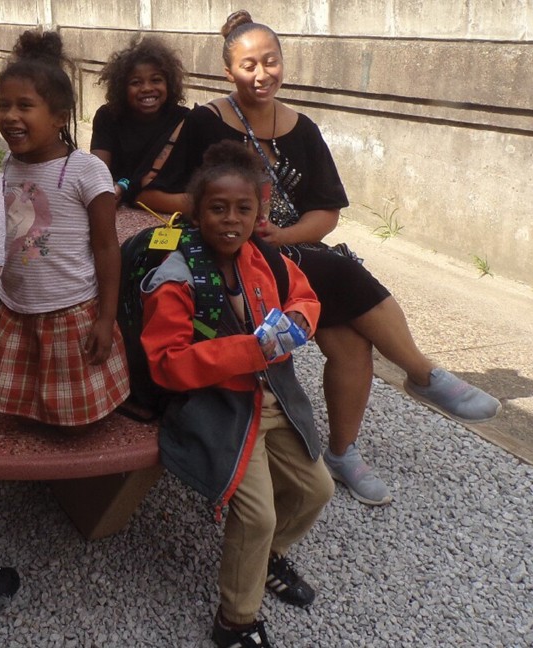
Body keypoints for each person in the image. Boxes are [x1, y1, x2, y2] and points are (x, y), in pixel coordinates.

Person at [137, 9, 501, 507]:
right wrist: (220, 211)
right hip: (228, 252)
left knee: (352, 341)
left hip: (291, 248)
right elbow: (154, 191)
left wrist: (283, 232)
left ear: (283, 62)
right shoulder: (204, 121)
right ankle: (422, 373)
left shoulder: (301, 128)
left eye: (270, 61)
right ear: (228, 72)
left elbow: (326, 211)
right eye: (248, 65)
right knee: (344, 271)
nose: (261, 74)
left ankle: (342, 453)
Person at [141, 140, 333, 648]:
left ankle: (266, 555)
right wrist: (251, 350)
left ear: (259, 212)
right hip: (219, 408)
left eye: (243, 209)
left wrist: (298, 320)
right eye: (217, 208)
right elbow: (167, 364)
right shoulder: (178, 277)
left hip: (274, 399)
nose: (230, 220)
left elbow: (305, 296)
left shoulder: (267, 261)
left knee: (318, 489)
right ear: (196, 211)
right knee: (257, 514)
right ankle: (236, 620)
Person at [0, 30, 129, 430]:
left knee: (76, 415)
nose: (10, 116)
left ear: (59, 118)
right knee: (26, 399)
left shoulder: (85, 171)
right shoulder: (10, 163)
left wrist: (105, 318)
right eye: (4, 105)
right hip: (17, 303)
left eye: (25, 106)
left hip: (71, 309)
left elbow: (106, 248)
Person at [90, 35, 189, 205]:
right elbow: (99, 173)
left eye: (156, 80)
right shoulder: (108, 117)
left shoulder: (183, 119)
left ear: (169, 83)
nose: (147, 88)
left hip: (164, 204)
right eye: (136, 83)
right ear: (122, 87)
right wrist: (112, 189)